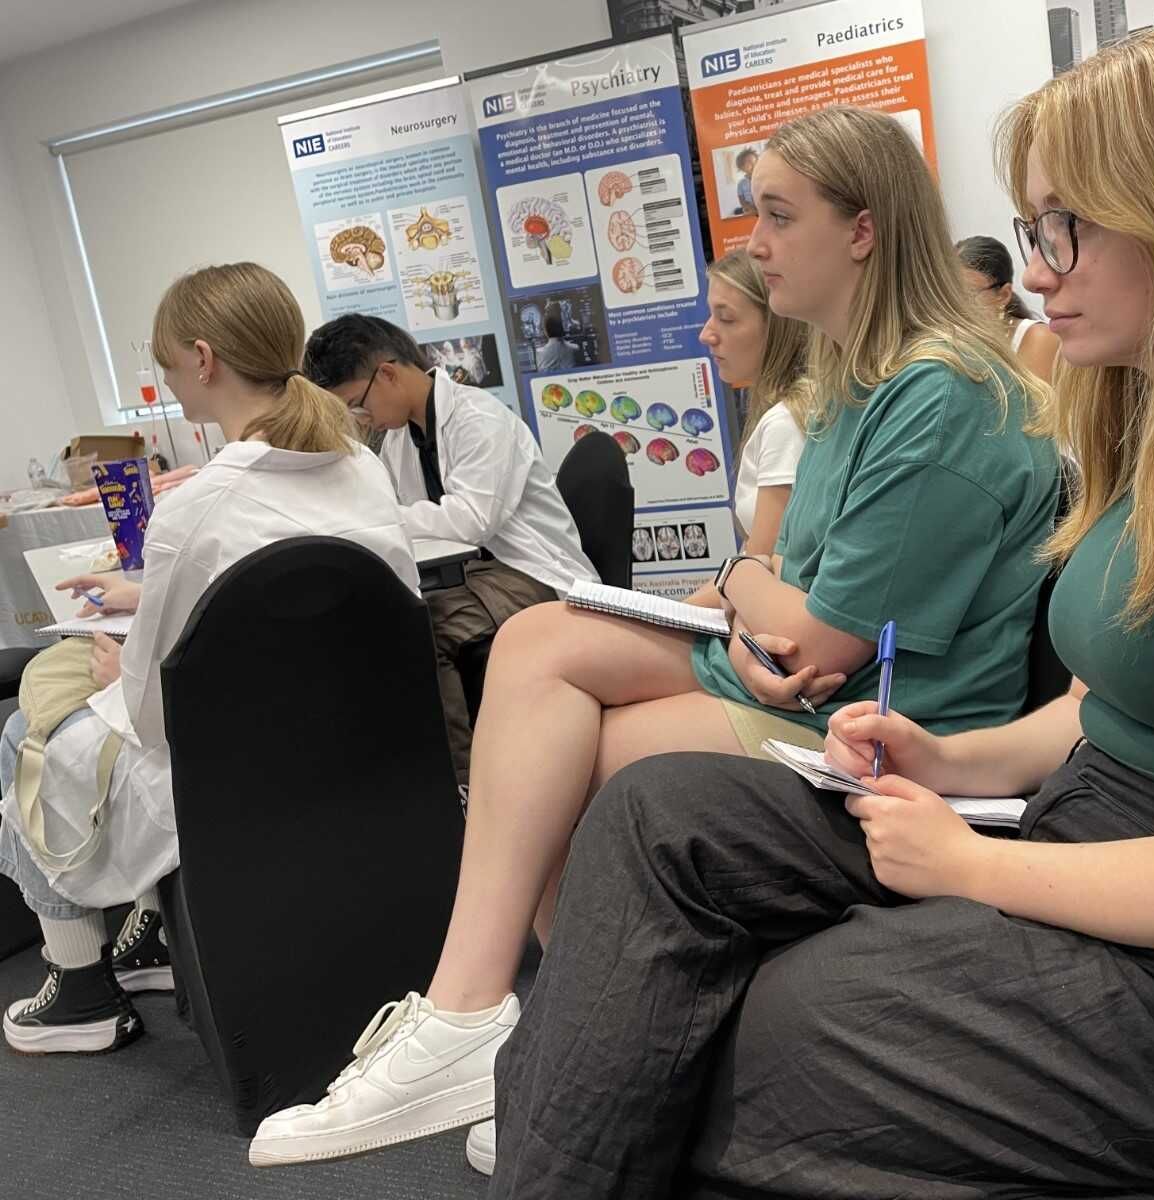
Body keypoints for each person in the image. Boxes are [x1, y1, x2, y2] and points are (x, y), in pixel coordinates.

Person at [480, 21, 1154, 1196]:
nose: (1040, 271)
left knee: (751, 1035)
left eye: (1067, 226)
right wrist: (949, 758)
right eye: (1033, 228)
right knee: (660, 809)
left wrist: (970, 867)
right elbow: (1103, 710)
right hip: (1092, 837)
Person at [248, 104, 1061, 1169]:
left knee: (585, 767)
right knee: (532, 642)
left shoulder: (935, 394)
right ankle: (487, 1014)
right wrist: (753, 590)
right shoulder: (861, 382)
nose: (758, 245)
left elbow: (818, 638)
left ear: (863, 230)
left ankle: (565, 1039)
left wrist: (745, 583)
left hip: (885, 719)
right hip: (809, 676)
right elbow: (793, 588)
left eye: (779, 217)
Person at [0, 263, 417, 1054]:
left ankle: (80, 989)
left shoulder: (196, 508)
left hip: (237, 771)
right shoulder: (358, 466)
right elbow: (288, 593)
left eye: (165, 363)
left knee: (25, 732)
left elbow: (157, 716)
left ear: (202, 358)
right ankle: (151, 936)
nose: (164, 380)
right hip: (357, 743)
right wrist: (146, 598)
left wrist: (115, 677)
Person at [302, 315, 597, 785]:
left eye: (356, 404)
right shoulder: (401, 437)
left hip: (529, 573)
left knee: (424, 631)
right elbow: (408, 515)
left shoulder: (479, 419)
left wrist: (383, 518)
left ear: (388, 374)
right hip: (471, 575)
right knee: (382, 617)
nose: (362, 419)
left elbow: (471, 520)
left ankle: (464, 785)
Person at [698, 249, 808, 554]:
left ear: (777, 325)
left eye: (726, 318)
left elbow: (762, 562)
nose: (706, 334)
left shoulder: (784, 424)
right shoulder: (784, 411)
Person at [958, 233, 1061, 381]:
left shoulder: (1039, 339)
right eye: (950, 293)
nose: (956, 303)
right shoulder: (956, 342)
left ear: (1003, 295)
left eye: (968, 293)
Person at [734, 147, 758, 215]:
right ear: (741, 167)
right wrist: (749, 207)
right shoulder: (741, 184)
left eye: (755, 162)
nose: (753, 165)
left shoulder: (763, 178)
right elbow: (742, 200)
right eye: (749, 162)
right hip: (750, 210)